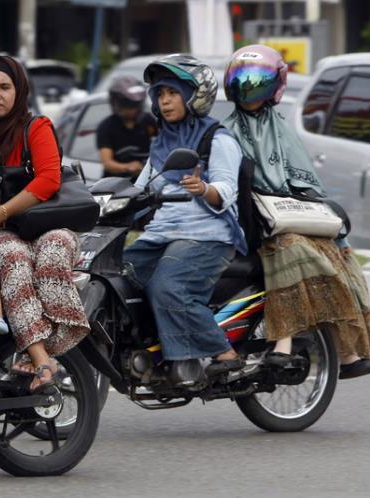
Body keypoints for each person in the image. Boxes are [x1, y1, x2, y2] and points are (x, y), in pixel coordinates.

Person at [222, 44, 370, 379]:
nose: (248, 88)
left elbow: (308, 185)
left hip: (288, 215)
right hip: (255, 225)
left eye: (256, 80)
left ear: (273, 84)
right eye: (242, 79)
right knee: (294, 250)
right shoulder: (226, 131)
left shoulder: (281, 129)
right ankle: (283, 343)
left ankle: (345, 350)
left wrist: (340, 235)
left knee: (338, 260)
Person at [0, 55, 90, 392]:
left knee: (53, 251)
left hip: (43, 221)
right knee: (14, 261)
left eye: (5, 87)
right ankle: (40, 357)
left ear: (19, 93)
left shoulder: (35, 127)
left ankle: (49, 347)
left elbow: (49, 179)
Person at [122, 55, 248, 386]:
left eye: (173, 93)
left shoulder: (217, 139)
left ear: (194, 95)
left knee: (168, 285)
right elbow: (138, 192)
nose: (164, 101)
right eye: (160, 94)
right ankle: (152, 349)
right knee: (118, 275)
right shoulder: (161, 145)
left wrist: (203, 188)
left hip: (207, 236)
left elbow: (226, 190)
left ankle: (224, 355)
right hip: (163, 234)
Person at [96, 76, 157, 178]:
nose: (131, 110)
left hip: (146, 181)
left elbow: (163, 142)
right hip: (115, 183)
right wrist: (128, 167)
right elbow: (107, 163)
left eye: (134, 105)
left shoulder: (148, 121)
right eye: (126, 105)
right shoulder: (107, 127)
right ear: (116, 104)